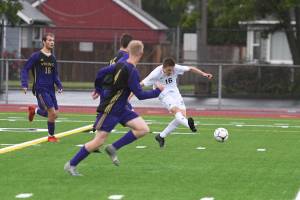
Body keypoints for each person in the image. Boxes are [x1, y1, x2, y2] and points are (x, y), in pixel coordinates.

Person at [64, 40, 164, 176]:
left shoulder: (120, 64)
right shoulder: (132, 72)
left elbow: (100, 72)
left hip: (122, 108)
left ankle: (113, 147)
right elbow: (140, 95)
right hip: (110, 109)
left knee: (143, 129)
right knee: (98, 141)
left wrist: (98, 89)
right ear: (141, 53)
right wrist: (158, 91)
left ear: (128, 51)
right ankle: (71, 164)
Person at [140, 57, 213, 148]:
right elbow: (141, 84)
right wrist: (128, 96)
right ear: (163, 67)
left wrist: (204, 74)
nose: (171, 72)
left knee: (182, 116)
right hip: (163, 93)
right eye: (169, 70)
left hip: (174, 92)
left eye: (172, 69)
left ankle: (161, 136)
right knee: (176, 111)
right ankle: (190, 126)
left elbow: (191, 68)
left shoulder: (176, 68)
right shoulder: (155, 73)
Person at [20, 32, 63, 143]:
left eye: (53, 40)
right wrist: (24, 83)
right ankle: (51, 136)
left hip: (51, 89)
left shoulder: (53, 58)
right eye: (49, 40)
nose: (51, 42)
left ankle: (34, 110)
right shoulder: (36, 56)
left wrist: (59, 85)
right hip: (40, 88)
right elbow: (25, 69)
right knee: (52, 113)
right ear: (44, 42)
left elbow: (55, 74)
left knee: (55, 115)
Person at [91, 33, 133, 133]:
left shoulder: (116, 55)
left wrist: (98, 88)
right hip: (112, 90)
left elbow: (104, 73)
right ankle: (138, 128)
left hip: (106, 88)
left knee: (105, 112)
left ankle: (97, 130)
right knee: (124, 110)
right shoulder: (126, 57)